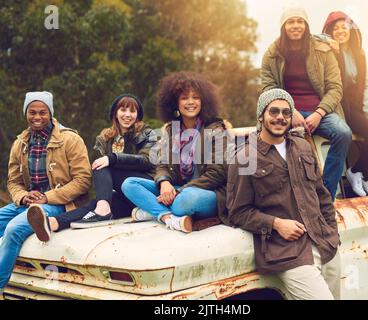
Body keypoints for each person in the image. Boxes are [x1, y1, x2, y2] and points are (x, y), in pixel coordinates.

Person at [225, 88, 341, 300]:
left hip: (325, 244)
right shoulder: (245, 158)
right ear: (261, 115)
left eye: (286, 113)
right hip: (286, 252)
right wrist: (276, 224)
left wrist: (331, 232)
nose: (280, 117)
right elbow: (238, 212)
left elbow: (321, 195)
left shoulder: (303, 147)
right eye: (273, 111)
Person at [27, 94, 157, 241]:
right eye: (123, 110)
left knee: (102, 167)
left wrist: (112, 158)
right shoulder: (105, 138)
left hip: (142, 187)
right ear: (115, 112)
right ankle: (54, 223)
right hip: (123, 198)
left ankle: (103, 210)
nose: (127, 115)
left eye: (132, 111)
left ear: (138, 115)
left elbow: (148, 161)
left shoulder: (146, 133)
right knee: (95, 204)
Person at [0, 91, 92, 299]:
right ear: (25, 113)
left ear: (50, 113)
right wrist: (23, 196)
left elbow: (83, 180)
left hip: (59, 202)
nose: (37, 117)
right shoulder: (21, 143)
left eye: (42, 112)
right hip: (28, 202)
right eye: (32, 112)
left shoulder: (70, 139)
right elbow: (13, 182)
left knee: (14, 229)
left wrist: (47, 197)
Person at [260, 7, 352, 200]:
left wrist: (319, 113)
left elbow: (335, 87)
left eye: (300, 21)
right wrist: (289, 111)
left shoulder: (322, 50)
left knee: (343, 133)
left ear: (306, 25)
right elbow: (268, 87)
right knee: (269, 143)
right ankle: (279, 196)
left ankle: (325, 194)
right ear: (283, 27)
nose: (296, 26)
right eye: (291, 22)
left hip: (321, 111)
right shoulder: (272, 53)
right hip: (285, 111)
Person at [121, 71, 229, 233]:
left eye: (196, 97)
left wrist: (179, 191)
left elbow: (217, 173)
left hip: (207, 193)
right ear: (175, 103)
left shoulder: (216, 129)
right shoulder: (172, 130)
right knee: (129, 184)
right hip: (178, 188)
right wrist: (164, 183)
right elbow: (163, 164)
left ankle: (151, 210)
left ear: (204, 101)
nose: (190, 102)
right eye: (184, 98)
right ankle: (167, 217)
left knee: (183, 202)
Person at [322, 11, 368, 196]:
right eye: (335, 28)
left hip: (360, 105)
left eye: (343, 27)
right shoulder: (328, 52)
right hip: (343, 107)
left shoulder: (359, 53)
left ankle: (355, 171)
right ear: (330, 31)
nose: (340, 31)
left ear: (351, 30)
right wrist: (328, 43)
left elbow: (367, 83)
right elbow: (312, 39)